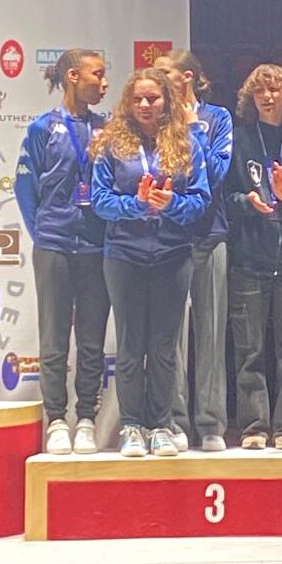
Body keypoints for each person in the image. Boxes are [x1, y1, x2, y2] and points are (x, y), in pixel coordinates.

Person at [90, 68, 211, 457]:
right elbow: (100, 201)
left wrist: (171, 203)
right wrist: (137, 204)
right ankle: (131, 427)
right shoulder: (112, 144)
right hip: (123, 256)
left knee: (162, 347)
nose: (145, 105)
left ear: (167, 101)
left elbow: (201, 201)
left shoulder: (187, 143)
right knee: (129, 345)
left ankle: (161, 425)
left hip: (172, 257)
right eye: (139, 98)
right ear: (128, 102)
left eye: (153, 98)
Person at [14, 49, 110, 455]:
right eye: (98, 75)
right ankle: (56, 418)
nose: (104, 84)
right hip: (54, 245)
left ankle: (86, 416)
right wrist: (44, 234)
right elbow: (24, 187)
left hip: (96, 246)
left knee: (91, 338)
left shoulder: (109, 129)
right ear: (73, 76)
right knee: (54, 338)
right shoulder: (43, 128)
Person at [225, 64, 282, 450]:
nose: (268, 95)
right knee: (250, 352)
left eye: (275, 89)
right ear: (250, 98)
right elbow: (223, 198)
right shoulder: (239, 139)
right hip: (249, 257)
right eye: (260, 90)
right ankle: (254, 426)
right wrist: (248, 201)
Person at [153, 50, 233, 452]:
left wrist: (193, 128)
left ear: (186, 77)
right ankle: (174, 420)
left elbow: (216, 174)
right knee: (172, 336)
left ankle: (211, 423)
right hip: (168, 236)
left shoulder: (217, 118)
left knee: (211, 333)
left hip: (210, 234)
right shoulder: (156, 122)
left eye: (164, 74)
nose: (156, 80)